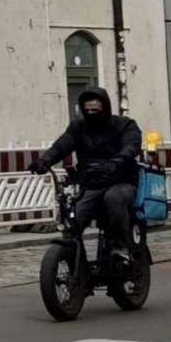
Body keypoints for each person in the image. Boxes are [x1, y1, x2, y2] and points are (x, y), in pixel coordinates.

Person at [31, 86, 143, 267]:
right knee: (75, 216)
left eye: (96, 110)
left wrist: (118, 160)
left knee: (114, 199)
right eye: (88, 110)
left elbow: (132, 145)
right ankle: (73, 259)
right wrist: (44, 161)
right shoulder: (78, 128)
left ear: (105, 107)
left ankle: (120, 247)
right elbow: (61, 146)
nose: (91, 114)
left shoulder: (124, 125)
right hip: (91, 184)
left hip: (121, 181)